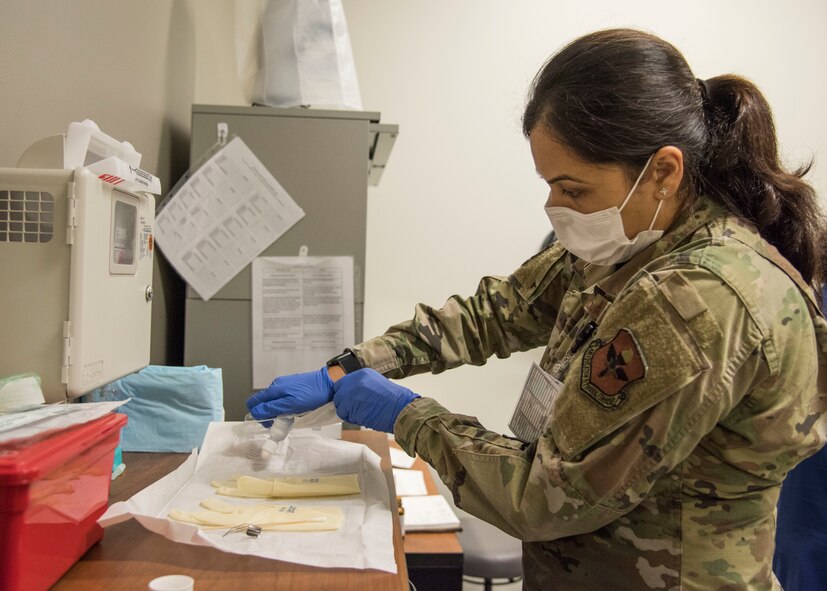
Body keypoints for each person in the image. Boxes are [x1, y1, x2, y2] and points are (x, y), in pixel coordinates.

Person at [247, 28, 827, 590]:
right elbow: (495, 312)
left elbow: (546, 496)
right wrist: (346, 366)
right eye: (549, 184)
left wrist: (406, 414)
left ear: (663, 172)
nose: (555, 206)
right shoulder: (633, 241)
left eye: (574, 190)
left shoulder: (699, 299)